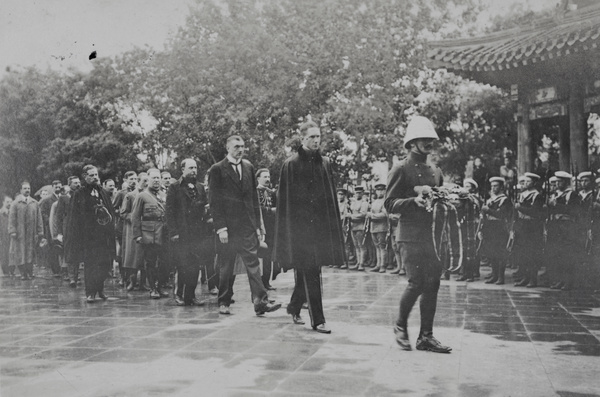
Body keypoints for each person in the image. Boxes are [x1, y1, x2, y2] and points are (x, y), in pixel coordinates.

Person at [385, 116, 451, 353]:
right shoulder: (400, 168)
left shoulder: (435, 170)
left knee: (433, 283)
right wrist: (414, 201)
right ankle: (400, 327)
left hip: (432, 236)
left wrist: (451, 198)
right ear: (412, 143)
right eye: (424, 139)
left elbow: (441, 198)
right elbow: (389, 203)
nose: (429, 143)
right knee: (416, 283)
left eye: (431, 139)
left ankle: (426, 336)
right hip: (410, 235)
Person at [274, 120, 345, 333]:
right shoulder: (291, 164)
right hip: (301, 233)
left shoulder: (325, 163)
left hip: (320, 231)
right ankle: (318, 320)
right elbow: (286, 204)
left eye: (318, 136)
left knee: (310, 271)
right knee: (312, 273)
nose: (316, 140)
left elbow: (330, 199)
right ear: (302, 138)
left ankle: (295, 306)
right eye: (312, 136)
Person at [208, 136, 281, 316]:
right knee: (226, 266)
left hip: (247, 227)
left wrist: (258, 226)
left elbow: (253, 200)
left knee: (253, 263)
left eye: (242, 146)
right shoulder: (217, 169)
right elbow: (214, 201)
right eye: (236, 146)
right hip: (228, 228)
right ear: (228, 148)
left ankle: (260, 302)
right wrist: (221, 228)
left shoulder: (248, 167)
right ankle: (224, 301)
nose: (240, 149)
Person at [166, 159, 214, 306]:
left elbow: (205, 208)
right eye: (191, 167)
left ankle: (190, 295)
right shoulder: (174, 187)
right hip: (182, 233)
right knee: (182, 265)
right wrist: (173, 232)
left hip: (198, 233)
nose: (194, 170)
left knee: (195, 265)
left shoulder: (200, 187)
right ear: (182, 169)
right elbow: (170, 211)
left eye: (195, 168)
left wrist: (208, 219)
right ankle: (179, 294)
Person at [65, 165, 116, 302]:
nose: (95, 177)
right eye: (91, 175)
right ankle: (90, 292)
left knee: (105, 264)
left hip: (104, 236)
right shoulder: (79, 194)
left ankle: (100, 289)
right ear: (85, 177)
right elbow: (73, 218)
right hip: (89, 237)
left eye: (96, 175)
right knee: (91, 265)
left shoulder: (103, 192)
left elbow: (110, 212)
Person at [132, 169, 169, 299]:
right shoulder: (142, 196)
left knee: (164, 262)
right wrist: (137, 235)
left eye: (158, 178)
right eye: (154, 178)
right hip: (149, 234)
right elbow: (135, 217)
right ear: (148, 180)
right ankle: (153, 288)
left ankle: (160, 287)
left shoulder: (163, 195)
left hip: (163, 233)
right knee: (150, 262)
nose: (157, 180)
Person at [547, 171, 581, 290]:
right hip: (556, 226)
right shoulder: (555, 194)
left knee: (567, 254)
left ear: (566, 182)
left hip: (567, 226)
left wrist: (556, 205)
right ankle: (560, 280)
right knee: (558, 254)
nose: (557, 184)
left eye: (560, 181)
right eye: (556, 181)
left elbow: (574, 211)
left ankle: (568, 281)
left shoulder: (572, 194)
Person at [512, 173, 544, 288]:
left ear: (534, 183)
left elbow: (535, 211)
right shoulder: (522, 195)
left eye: (528, 181)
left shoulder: (537, 196)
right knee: (522, 253)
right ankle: (524, 278)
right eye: (524, 181)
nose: (525, 183)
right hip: (522, 225)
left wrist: (520, 207)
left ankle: (532, 279)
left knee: (531, 253)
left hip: (532, 226)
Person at [8, 182, 45, 280]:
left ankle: (30, 272)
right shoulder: (15, 203)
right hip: (20, 233)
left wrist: (40, 231)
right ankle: (22, 273)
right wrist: (12, 231)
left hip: (31, 233)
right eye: (25, 188)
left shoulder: (34, 203)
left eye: (28, 188)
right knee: (20, 252)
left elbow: (39, 218)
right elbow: (11, 218)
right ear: (21, 190)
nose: (27, 190)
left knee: (30, 252)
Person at [480, 177, 511, 285]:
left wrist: (488, 210)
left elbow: (502, 214)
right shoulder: (490, 200)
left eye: (496, 186)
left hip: (499, 227)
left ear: (501, 187)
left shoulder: (504, 200)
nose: (493, 188)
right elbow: (485, 217)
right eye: (492, 186)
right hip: (490, 227)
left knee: (500, 253)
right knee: (491, 252)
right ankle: (494, 275)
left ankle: (501, 277)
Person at [122, 172, 148, 291]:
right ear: (138, 181)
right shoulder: (131, 195)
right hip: (133, 230)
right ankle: (132, 281)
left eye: (148, 181)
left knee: (145, 257)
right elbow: (123, 213)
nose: (146, 184)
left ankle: (143, 283)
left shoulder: (150, 195)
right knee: (133, 257)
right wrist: (135, 217)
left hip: (147, 229)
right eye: (144, 181)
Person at [113, 171, 137, 286]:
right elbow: (114, 209)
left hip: (134, 227)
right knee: (123, 252)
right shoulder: (121, 193)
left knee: (133, 253)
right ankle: (123, 277)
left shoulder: (139, 192)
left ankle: (133, 278)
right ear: (125, 180)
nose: (133, 181)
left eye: (135, 179)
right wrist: (124, 213)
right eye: (131, 179)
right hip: (122, 226)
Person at [56, 176, 81, 287]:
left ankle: (76, 275)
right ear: (69, 184)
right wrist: (59, 232)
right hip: (68, 229)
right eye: (75, 183)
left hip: (80, 229)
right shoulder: (64, 198)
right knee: (70, 253)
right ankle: (72, 278)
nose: (78, 184)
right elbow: (59, 216)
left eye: (79, 182)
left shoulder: (82, 196)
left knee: (78, 252)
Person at [256, 168, 278, 290]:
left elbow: (277, 207)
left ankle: (266, 282)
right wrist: (271, 211)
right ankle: (258, 283)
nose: (267, 179)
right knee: (258, 255)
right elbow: (257, 209)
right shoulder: (254, 192)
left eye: (268, 177)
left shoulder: (272, 192)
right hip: (259, 227)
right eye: (265, 177)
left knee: (268, 255)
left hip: (270, 227)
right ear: (258, 178)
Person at [39, 179, 62, 277]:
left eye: (59, 187)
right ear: (52, 188)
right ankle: (56, 270)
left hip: (62, 226)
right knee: (53, 248)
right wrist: (50, 220)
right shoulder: (46, 200)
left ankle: (64, 269)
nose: (58, 188)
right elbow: (42, 213)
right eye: (56, 187)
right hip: (51, 227)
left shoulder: (64, 198)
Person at [368, 183, 389, 273]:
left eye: (381, 190)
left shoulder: (385, 201)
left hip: (381, 226)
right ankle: (378, 264)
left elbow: (384, 215)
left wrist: (372, 215)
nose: (379, 192)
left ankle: (383, 265)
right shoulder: (374, 202)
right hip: (373, 227)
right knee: (377, 247)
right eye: (378, 190)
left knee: (382, 246)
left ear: (384, 191)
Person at [348, 186, 368, 271]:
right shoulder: (353, 203)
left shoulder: (364, 203)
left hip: (360, 226)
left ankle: (362, 264)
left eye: (359, 193)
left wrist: (351, 216)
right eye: (356, 193)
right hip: (353, 226)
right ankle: (358, 262)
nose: (358, 194)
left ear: (362, 193)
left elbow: (363, 214)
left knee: (361, 245)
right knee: (356, 246)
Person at [0, 196, 13, 276]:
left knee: (11, 253)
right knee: (4, 253)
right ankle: (5, 271)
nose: (9, 204)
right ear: (3, 202)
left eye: (10, 202)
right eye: (7, 202)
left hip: (11, 236)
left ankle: (11, 270)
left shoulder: (12, 213)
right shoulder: (1, 213)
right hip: (3, 236)